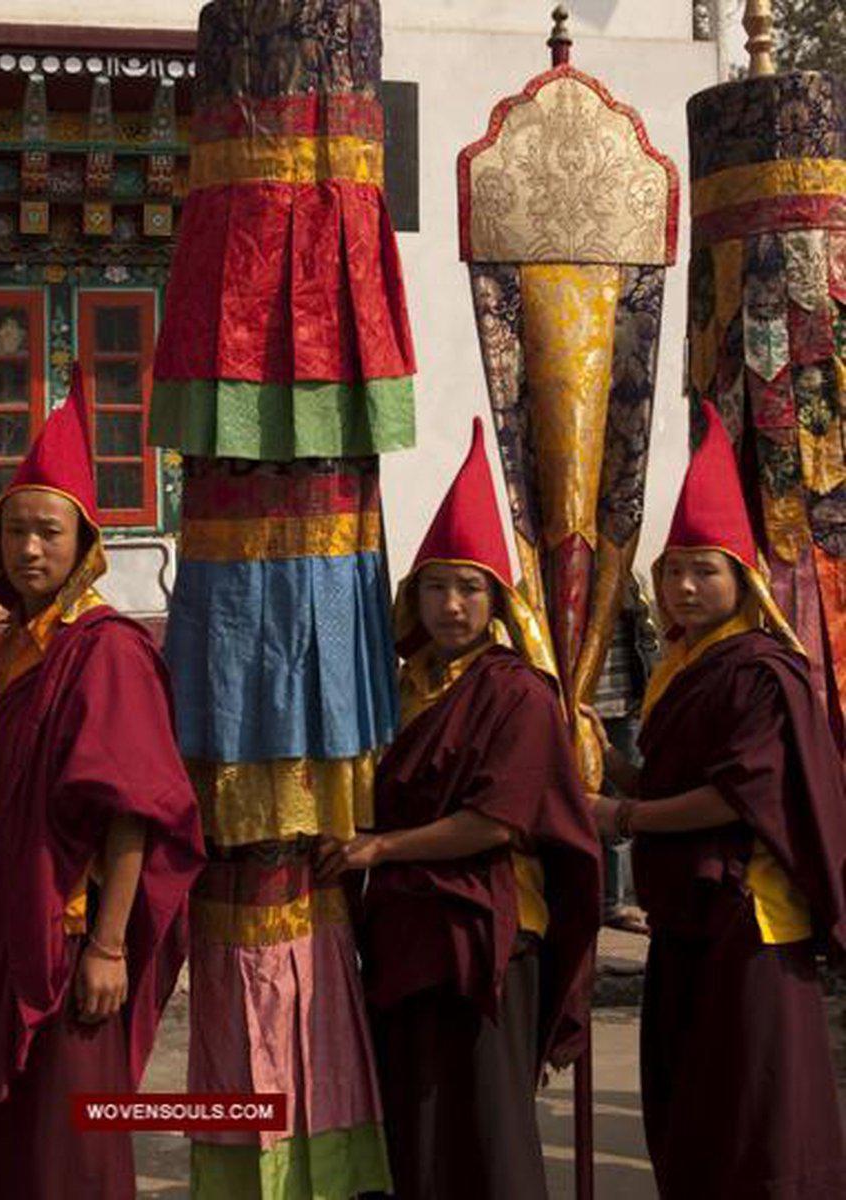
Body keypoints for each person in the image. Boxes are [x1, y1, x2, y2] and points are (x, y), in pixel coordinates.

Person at [317, 419, 601, 1199]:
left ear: (496, 602)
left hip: (491, 931)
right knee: (416, 1123)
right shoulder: (400, 687)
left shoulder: (517, 693)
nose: (450, 605)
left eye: (469, 588)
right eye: (436, 586)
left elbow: (497, 821)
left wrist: (378, 850)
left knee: (487, 1124)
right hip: (407, 933)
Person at [589, 401, 846, 1198]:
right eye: (673, 571)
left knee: (752, 1109)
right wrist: (606, 767)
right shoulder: (681, 661)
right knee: (694, 1104)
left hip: (749, 918)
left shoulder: (760, 668)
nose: (685, 587)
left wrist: (623, 818)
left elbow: (738, 796)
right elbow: (675, 777)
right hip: (688, 914)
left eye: (704, 571)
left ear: (741, 579)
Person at [0, 367, 205, 1199]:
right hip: (12, 923)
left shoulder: (105, 650)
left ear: (84, 546)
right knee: (21, 1135)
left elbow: (132, 811)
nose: (29, 550)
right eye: (15, 532)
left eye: (49, 533)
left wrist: (109, 945)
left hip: (71, 938)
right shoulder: (10, 650)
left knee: (75, 1140)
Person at [593, 574, 659, 935]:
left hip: (624, 704)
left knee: (620, 805)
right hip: (580, 707)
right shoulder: (554, 569)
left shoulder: (625, 577)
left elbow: (646, 639)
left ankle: (614, 902)